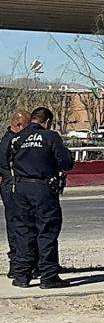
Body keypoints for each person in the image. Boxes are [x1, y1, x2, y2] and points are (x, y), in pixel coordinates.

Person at [1, 107, 74, 289]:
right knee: (46, 231)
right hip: (42, 188)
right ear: (47, 121)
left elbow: (6, 163)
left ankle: (21, 275)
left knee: (23, 231)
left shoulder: (16, 138)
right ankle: (48, 276)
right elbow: (66, 162)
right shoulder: (50, 136)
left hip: (20, 189)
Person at [0, 109, 30, 277]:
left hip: (11, 186)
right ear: (19, 125)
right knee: (17, 226)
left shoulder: (9, 140)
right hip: (12, 188)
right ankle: (16, 264)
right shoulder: (11, 142)